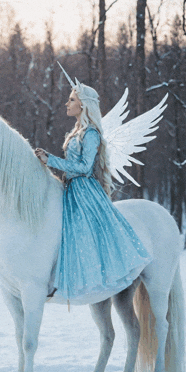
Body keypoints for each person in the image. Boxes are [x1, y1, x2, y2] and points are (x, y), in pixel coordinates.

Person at [35, 67, 151, 304]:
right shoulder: (75, 131)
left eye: (71, 100)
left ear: (83, 105)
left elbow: (86, 167)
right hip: (71, 190)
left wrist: (52, 160)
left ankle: (84, 280)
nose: (66, 104)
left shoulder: (90, 134)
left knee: (79, 232)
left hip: (85, 192)